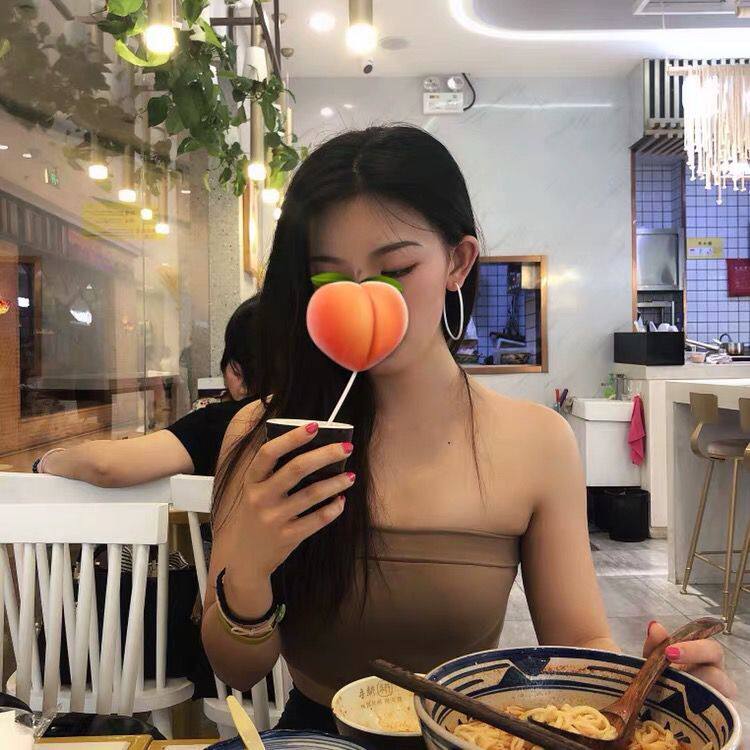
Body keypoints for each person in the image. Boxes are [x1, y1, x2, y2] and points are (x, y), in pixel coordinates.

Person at [202, 126, 735, 733]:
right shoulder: (268, 435)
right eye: (330, 281)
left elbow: (580, 644)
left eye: (395, 269)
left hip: (472, 737)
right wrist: (249, 567)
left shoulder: (536, 443)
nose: (361, 303)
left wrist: (650, 689)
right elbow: (235, 670)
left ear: (457, 262)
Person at [34, 296, 259, 485]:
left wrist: (47, 461)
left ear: (237, 369)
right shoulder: (275, 417)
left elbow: (105, 465)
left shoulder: (227, 422)